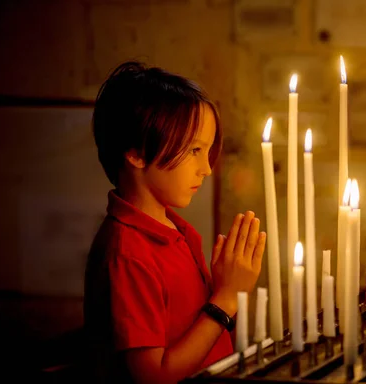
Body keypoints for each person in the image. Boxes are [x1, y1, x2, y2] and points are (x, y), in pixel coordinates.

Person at [83, 61, 266, 384]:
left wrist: (229, 288)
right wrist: (224, 299)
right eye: (195, 150)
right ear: (137, 153)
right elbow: (155, 376)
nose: (206, 169)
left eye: (206, 152)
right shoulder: (128, 253)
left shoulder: (175, 230)